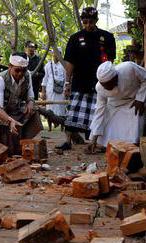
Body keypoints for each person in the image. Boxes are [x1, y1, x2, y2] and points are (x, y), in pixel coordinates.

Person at [57, 6, 116, 150]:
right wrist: (67, 83)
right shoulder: (75, 38)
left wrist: (108, 80)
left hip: (100, 83)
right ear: (82, 21)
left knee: (99, 113)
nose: (88, 24)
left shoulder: (107, 37)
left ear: (96, 20)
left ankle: (97, 143)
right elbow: (70, 63)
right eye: (85, 22)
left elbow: (110, 62)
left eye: (91, 21)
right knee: (72, 113)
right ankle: (68, 141)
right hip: (79, 82)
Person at [0, 52, 43, 155]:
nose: (20, 74)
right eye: (17, 70)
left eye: (23, 70)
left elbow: (31, 96)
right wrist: (10, 120)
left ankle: (24, 144)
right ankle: (4, 148)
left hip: (17, 108)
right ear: (10, 67)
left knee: (34, 113)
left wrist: (30, 103)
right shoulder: (0, 79)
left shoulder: (27, 75)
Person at [88, 61, 146, 152]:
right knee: (107, 119)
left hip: (135, 101)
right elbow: (99, 110)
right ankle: (107, 145)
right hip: (115, 105)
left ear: (116, 77)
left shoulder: (129, 68)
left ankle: (132, 145)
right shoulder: (99, 88)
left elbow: (145, 79)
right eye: (104, 85)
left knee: (136, 114)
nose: (107, 87)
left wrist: (140, 98)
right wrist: (93, 139)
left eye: (109, 83)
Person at [41, 48, 66, 131]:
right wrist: (43, 92)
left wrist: (66, 90)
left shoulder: (64, 65)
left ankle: (62, 126)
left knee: (61, 108)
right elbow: (45, 79)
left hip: (61, 90)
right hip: (50, 90)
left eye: (58, 53)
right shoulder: (48, 65)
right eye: (55, 53)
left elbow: (67, 79)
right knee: (50, 108)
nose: (56, 55)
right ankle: (50, 128)